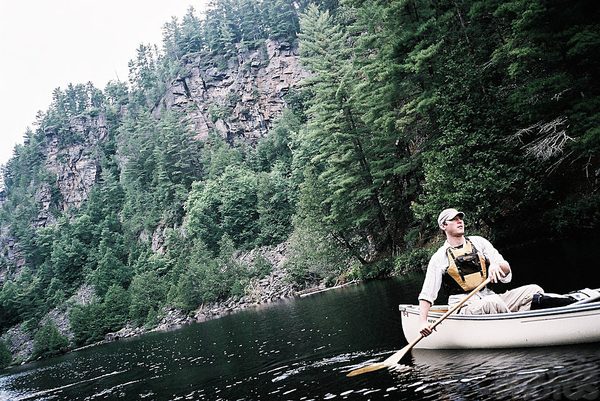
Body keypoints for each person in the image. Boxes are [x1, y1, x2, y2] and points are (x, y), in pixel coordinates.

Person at [418, 208, 543, 337]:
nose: (460, 221)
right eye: (454, 219)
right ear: (443, 226)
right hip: (463, 307)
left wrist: (495, 265)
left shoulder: (479, 242)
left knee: (534, 290)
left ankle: (529, 326)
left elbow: (506, 268)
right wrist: (423, 322)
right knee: (493, 303)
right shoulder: (439, 257)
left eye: (460, 218)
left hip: (490, 297)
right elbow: (427, 294)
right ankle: (518, 332)